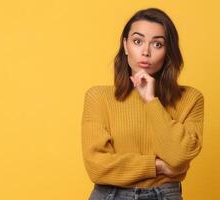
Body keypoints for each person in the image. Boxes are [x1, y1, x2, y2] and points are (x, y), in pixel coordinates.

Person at [81, 7, 204, 200]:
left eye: (157, 44)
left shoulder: (190, 99)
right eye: (137, 41)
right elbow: (97, 167)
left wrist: (151, 101)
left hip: (164, 195)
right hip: (110, 195)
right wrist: (157, 166)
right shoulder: (99, 97)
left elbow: (178, 156)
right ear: (125, 45)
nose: (145, 51)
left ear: (168, 51)